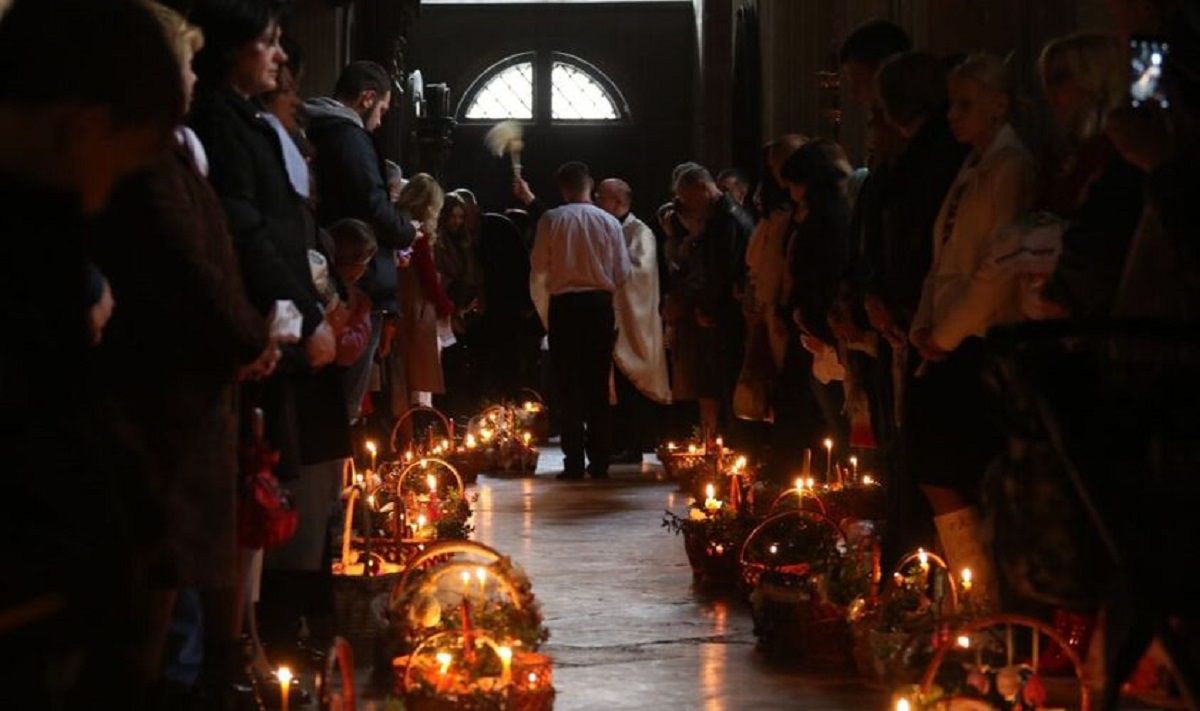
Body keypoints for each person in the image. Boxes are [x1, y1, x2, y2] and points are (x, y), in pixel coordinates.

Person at [0, 0, 184, 704]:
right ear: (77, 126)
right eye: (120, 165)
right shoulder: (33, 231)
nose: (104, 199)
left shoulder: (43, 222)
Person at [90, 5, 275, 701]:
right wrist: (250, 335)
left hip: (190, 384)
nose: (195, 77)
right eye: (187, 64)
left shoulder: (164, 151)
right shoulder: (142, 161)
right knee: (157, 583)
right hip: (163, 389)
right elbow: (184, 264)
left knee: (175, 579)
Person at [907, 53, 1035, 610]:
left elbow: (996, 264)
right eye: (951, 103)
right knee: (934, 464)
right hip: (947, 339)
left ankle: (982, 601)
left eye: (965, 104)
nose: (952, 115)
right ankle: (970, 595)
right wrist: (922, 325)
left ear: (999, 104)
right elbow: (946, 257)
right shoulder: (972, 164)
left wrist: (947, 332)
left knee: (959, 467)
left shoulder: (1011, 165)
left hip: (982, 339)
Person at [868, 50, 969, 564]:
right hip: (910, 318)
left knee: (933, 465)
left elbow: (938, 249)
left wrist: (905, 307)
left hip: (937, 329)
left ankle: (939, 579)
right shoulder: (915, 161)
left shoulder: (943, 160)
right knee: (911, 459)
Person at [304, 60, 417, 422]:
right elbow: (371, 203)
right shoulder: (348, 135)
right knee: (342, 405)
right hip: (356, 276)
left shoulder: (317, 129)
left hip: (339, 269)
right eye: (382, 109)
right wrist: (407, 229)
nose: (380, 121)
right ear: (367, 98)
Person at [530, 162, 631, 479]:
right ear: (591, 186)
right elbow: (623, 273)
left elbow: (538, 265)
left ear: (563, 189)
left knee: (567, 385)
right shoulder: (609, 222)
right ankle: (600, 461)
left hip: (565, 307)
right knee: (598, 385)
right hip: (599, 306)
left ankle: (573, 462)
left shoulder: (552, 219)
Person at [669, 163, 755, 436]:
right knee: (716, 382)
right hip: (719, 311)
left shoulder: (727, 218)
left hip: (726, 314)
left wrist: (708, 307)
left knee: (727, 381)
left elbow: (722, 267)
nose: (688, 206)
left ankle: (738, 446)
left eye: (688, 199)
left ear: (702, 189)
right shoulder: (716, 217)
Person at [780, 139, 854, 451]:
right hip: (816, 327)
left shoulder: (827, 218)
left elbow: (821, 273)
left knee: (843, 424)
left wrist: (814, 321)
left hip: (828, 329)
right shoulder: (822, 215)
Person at [596, 177, 670, 462]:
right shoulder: (611, 228)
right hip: (614, 318)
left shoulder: (639, 232)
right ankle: (619, 441)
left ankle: (635, 442)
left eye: (602, 196)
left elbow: (638, 274)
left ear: (618, 202)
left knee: (632, 385)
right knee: (615, 386)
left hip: (633, 320)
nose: (597, 200)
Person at [393, 174, 451, 412]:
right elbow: (427, 275)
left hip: (399, 301)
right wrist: (445, 304)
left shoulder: (397, 225)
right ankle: (412, 428)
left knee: (402, 370)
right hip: (415, 306)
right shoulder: (416, 234)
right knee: (415, 373)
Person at [435, 192, 483, 416]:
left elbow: (472, 273)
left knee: (463, 369)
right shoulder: (439, 243)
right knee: (448, 369)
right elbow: (442, 276)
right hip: (446, 311)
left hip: (466, 309)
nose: (457, 221)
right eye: (452, 216)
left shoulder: (466, 243)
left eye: (460, 217)